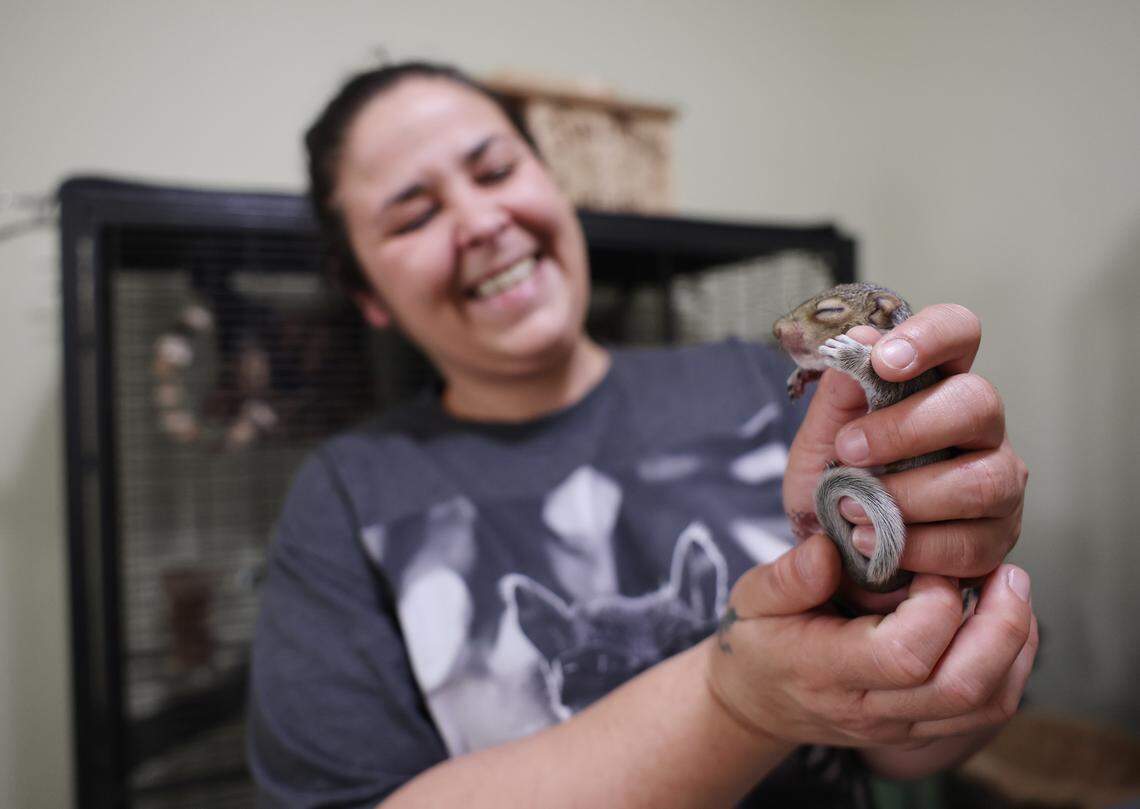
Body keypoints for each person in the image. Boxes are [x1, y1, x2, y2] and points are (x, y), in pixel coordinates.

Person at [247, 61, 1036, 808]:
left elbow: (913, 737)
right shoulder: (348, 497)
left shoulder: (764, 387)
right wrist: (735, 702)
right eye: (415, 214)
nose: (482, 221)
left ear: (552, 182)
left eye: (496, 172)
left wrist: (932, 609)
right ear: (366, 293)